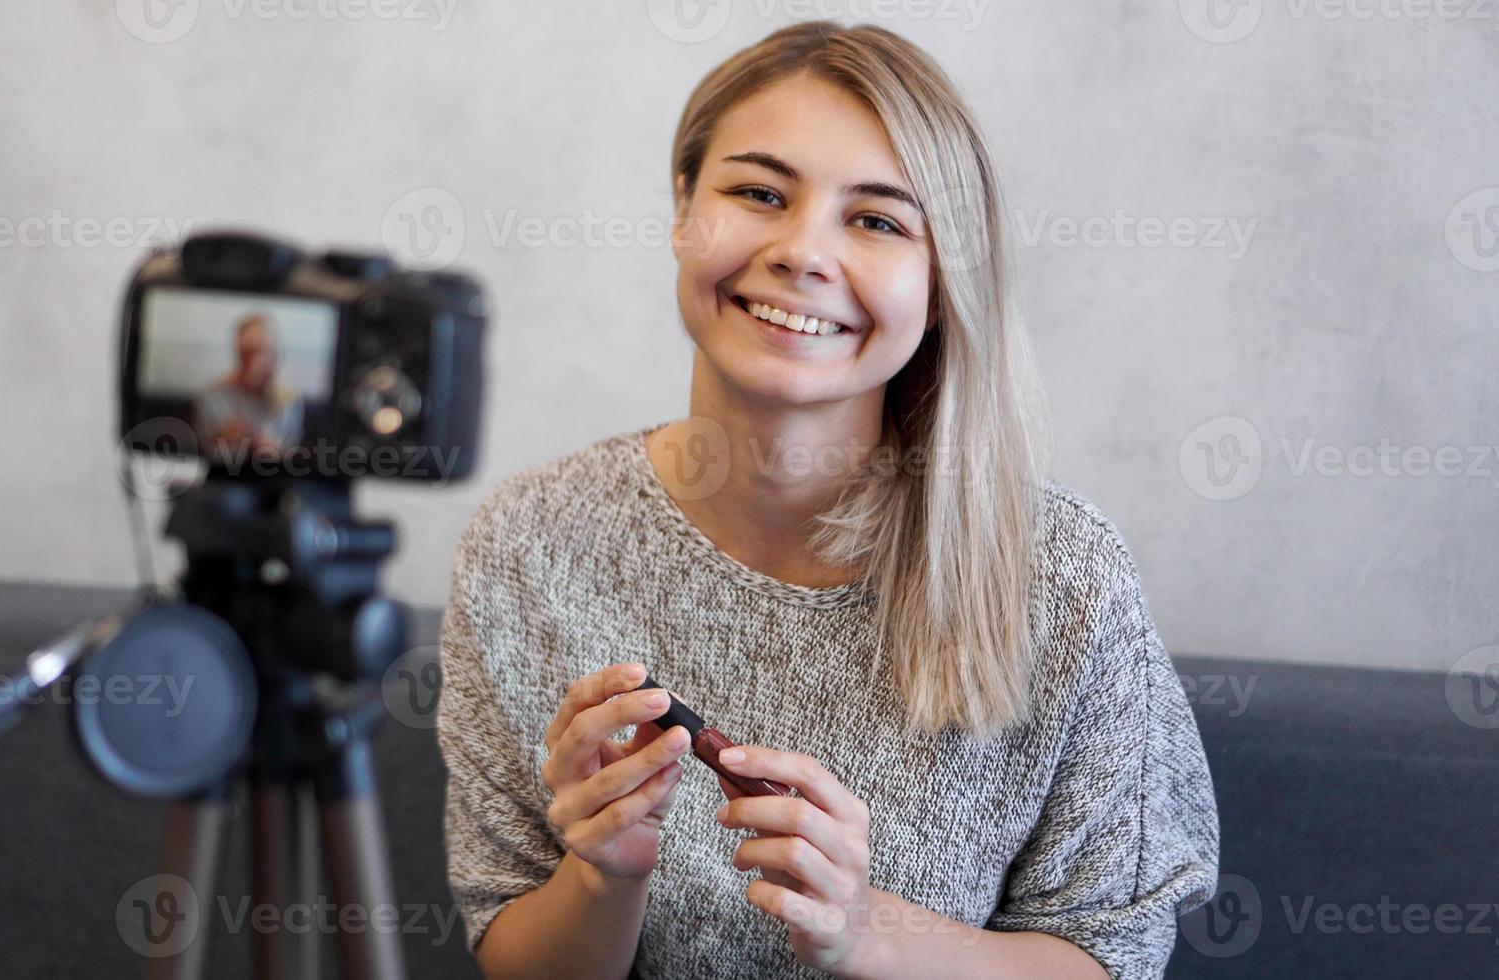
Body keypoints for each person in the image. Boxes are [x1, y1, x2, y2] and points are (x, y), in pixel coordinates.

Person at [435, 22, 1218, 980]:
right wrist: (601, 878)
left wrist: (866, 931)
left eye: (878, 220)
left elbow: (1112, 958)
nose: (802, 252)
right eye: (758, 193)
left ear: (941, 281)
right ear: (684, 210)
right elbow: (511, 952)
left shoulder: (1058, 575)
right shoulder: (528, 542)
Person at [193, 313, 304, 460]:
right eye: (249, 352)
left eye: (264, 351)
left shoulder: (290, 399)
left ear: (276, 355)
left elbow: (290, 455)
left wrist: (264, 445)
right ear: (237, 353)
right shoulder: (212, 395)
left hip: (274, 477)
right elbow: (206, 452)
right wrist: (223, 439)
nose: (256, 362)